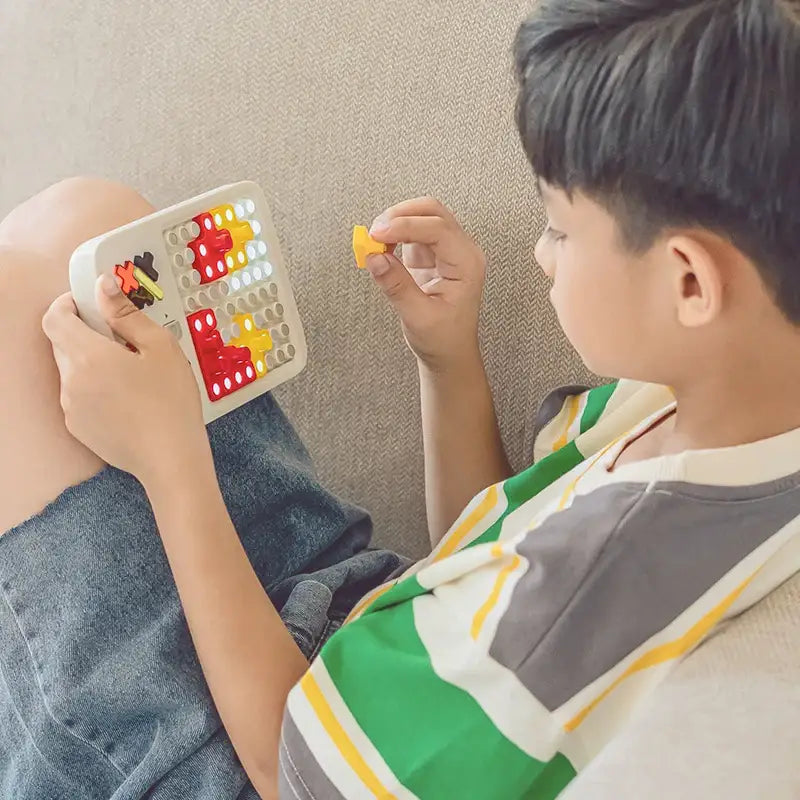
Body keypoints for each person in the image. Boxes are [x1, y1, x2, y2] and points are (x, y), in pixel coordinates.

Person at [5, 0, 800, 797]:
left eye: (558, 227)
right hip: (350, 633)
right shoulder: (710, 405)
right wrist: (446, 356)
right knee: (89, 218)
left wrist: (172, 463)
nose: (540, 254)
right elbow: (481, 556)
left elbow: (287, 768)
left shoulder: (591, 598)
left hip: (262, 748)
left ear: (690, 281)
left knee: (13, 317)